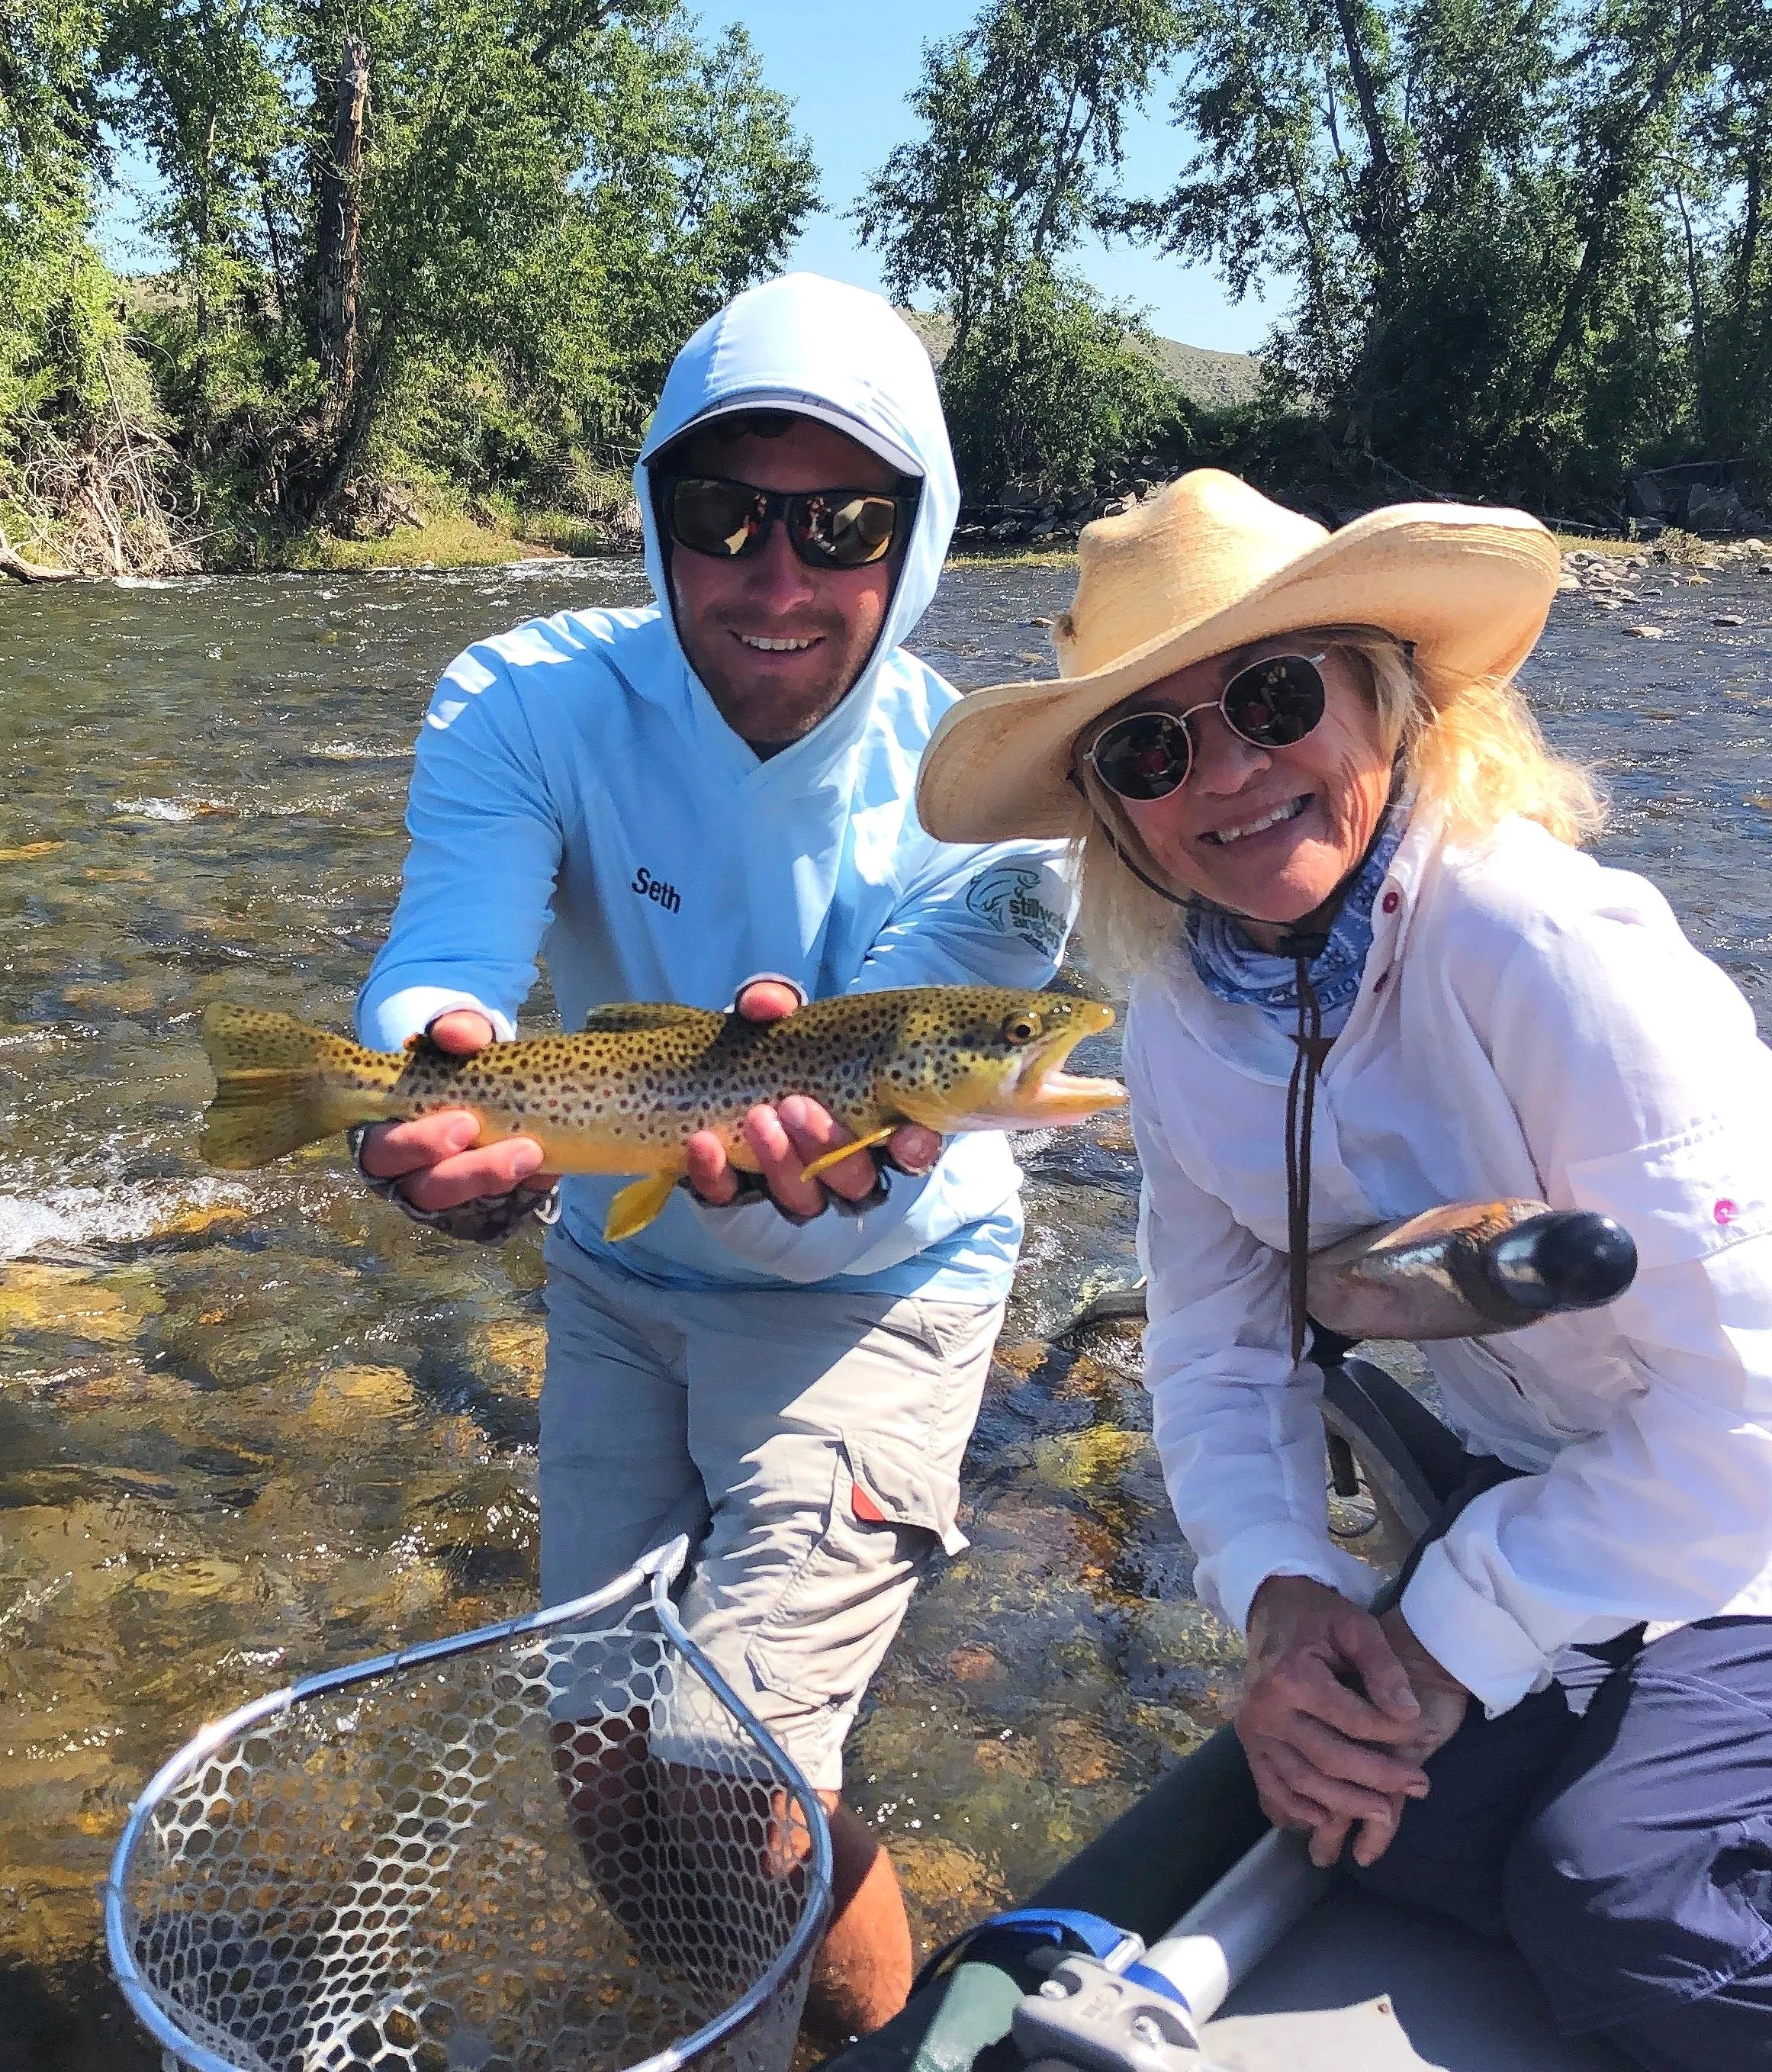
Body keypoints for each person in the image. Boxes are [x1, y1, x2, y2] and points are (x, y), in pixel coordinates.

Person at [914, 467, 1772, 2070]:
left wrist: (1443, 1637)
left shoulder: (1552, 953)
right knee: (1373, 1825)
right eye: (1151, 748)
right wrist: (1284, 1600)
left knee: (1623, 1909)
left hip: (1741, 1501)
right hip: (1547, 1496)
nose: (1228, 772)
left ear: (1382, 693)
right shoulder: (1179, 1020)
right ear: (1113, 811)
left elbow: (1748, 1418)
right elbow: (1217, 1349)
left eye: (1272, 696)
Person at [352, 272, 1075, 2035]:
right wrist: (427, 1081)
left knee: (730, 1759)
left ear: (919, 534)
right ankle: (727, 2014)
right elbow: (446, 962)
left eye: (844, 524)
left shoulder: (998, 807)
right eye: (723, 514)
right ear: (655, 512)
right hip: (620, 1258)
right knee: (611, 1775)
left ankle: (881, 2043)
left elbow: (908, 1087)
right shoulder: (521, 700)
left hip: (879, 1292)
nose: (778, 576)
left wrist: (858, 1133)